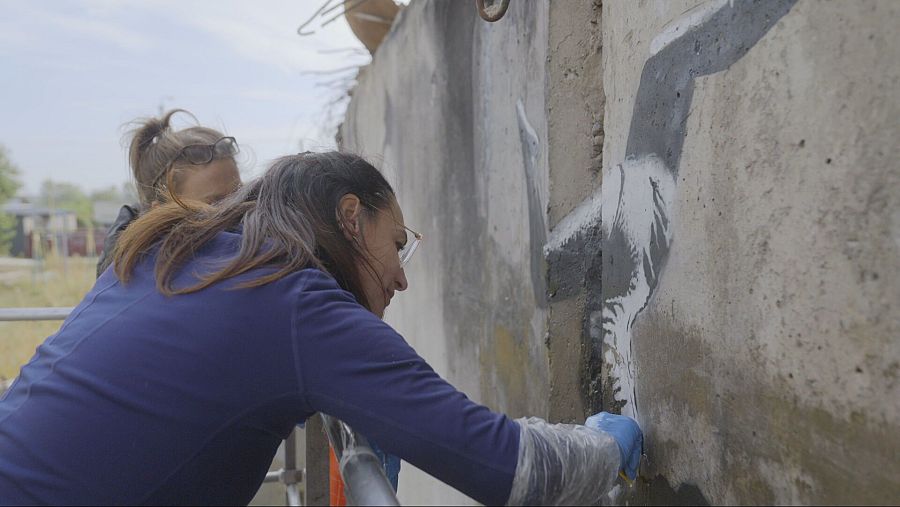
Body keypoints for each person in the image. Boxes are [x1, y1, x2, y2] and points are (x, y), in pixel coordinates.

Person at [0, 152, 642, 505]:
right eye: (399, 245)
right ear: (350, 218)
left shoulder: (175, 245)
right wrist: (607, 446)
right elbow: (509, 469)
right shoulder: (297, 304)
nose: (401, 278)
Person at [96, 109, 241, 277]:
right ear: (160, 213)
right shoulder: (146, 281)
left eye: (240, 195)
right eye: (214, 204)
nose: (236, 210)